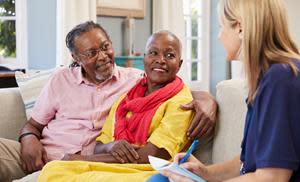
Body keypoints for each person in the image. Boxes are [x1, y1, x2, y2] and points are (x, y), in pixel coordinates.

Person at [0, 21, 217, 182]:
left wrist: (208, 100)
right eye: (92, 53)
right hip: (40, 153)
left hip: (80, 163)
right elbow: (34, 125)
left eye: (105, 47)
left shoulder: (134, 81)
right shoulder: (61, 80)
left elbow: (175, 89)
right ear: (76, 58)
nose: (103, 56)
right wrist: (29, 140)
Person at [161, 0, 300, 181]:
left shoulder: (281, 79)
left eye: (222, 26)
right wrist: (205, 172)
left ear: (240, 28)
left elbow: (272, 177)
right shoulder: (266, 79)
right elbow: (246, 162)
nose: (219, 36)